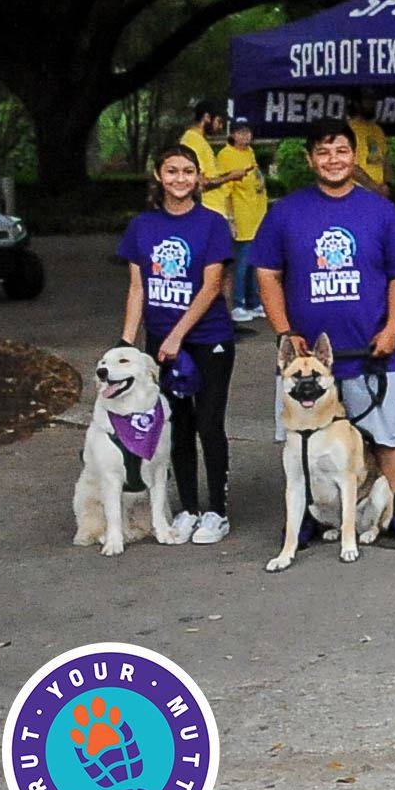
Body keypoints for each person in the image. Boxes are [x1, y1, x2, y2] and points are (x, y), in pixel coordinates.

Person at [252, 118, 395, 543]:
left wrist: (391, 329)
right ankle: (310, 514)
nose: (333, 160)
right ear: (311, 159)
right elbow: (267, 274)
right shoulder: (285, 213)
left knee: (387, 437)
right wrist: (283, 332)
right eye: (324, 152)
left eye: (342, 151)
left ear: (354, 156)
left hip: (373, 351)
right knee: (305, 437)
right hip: (308, 360)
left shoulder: (382, 212)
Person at [118, 143, 236, 546]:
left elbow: (211, 286)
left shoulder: (213, 224)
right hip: (161, 342)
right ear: (158, 176)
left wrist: (176, 335)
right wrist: (127, 344)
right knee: (176, 425)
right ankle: (187, 508)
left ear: (199, 177)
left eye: (188, 171)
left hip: (207, 339)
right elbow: (138, 287)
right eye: (172, 171)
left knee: (208, 423)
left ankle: (217, 512)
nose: (180, 179)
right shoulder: (142, 227)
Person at [216, 117, 268, 322]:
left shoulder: (249, 153)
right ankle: (237, 304)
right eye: (240, 132)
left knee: (254, 262)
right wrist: (230, 220)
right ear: (232, 134)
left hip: (257, 217)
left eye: (248, 131)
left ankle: (253, 301)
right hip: (241, 218)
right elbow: (225, 191)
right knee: (241, 264)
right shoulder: (226, 155)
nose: (245, 136)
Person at [179, 99, 245, 208]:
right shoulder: (192, 141)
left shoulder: (201, 141)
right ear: (207, 117)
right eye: (219, 121)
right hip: (207, 211)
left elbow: (210, 177)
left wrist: (229, 175)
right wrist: (229, 177)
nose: (220, 127)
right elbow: (200, 184)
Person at [347, 88, 393, 196]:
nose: (372, 104)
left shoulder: (378, 130)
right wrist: (375, 188)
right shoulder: (348, 130)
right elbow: (350, 165)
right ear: (356, 104)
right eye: (367, 100)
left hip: (380, 193)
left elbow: (386, 160)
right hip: (357, 192)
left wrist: (387, 185)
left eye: (373, 100)